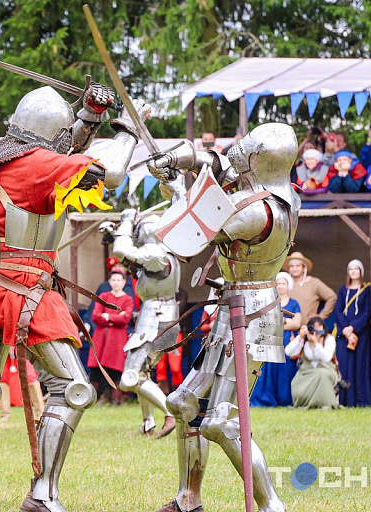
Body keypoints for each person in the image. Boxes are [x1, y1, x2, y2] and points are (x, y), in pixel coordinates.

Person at [0, 84, 147, 512]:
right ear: (47, 135)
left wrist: (90, 115)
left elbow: (65, 151)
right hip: (23, 288)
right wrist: (129, 129)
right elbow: (106, 174)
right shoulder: (37, 165)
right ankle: (43, 495)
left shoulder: (11, 158)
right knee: (73, 389)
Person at [147, 123, 296, 512]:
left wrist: (176, 188)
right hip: (232, 308)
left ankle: (270, 505)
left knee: (219, 421)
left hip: (252, 316)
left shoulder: (262, 210)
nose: (238, 152)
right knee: (183, 403)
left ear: (258, 158)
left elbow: (193, 233)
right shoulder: (269, 193)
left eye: (246, 149)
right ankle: (188, 499)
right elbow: (217, 166)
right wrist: (175, 164)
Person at [107, 209, 180, 438]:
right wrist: (115, 232)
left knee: (132, 377)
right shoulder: (162, 253)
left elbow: (121, 250)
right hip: (157, 316)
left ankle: (170, 413)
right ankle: (148, 422)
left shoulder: (156, 253)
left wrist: (126, 221)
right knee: (141, 372)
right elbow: (131, 261)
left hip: (156, 319)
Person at [250, 272, 301, 407]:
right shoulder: (269, 302)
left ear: (288, 286)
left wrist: (280, 321)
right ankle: (267, 399)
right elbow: (265, 321)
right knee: (269, 370)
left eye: (284, 283)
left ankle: (285, 400)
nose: (281, 286)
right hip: (271, 340)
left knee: (285, 371)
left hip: (286, 341)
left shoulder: (294, 303)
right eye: (278, 283)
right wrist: (285, 322)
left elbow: (297, 323)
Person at [87, 270, 134, 405]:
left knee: (115, 368)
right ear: (109, 282)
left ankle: (115, 399)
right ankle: (94, 398)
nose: (116, 283)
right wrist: (116, 318)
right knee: (96, 368)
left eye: (119, 280)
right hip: (101, 337)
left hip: (117, 339)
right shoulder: (103, 296)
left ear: (124, 282)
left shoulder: (128, 299)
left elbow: (125, 319)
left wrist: (107, 316)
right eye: (113, 280)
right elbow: (95, 316)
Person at [334, 260, 371, 407]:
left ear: (361, 271)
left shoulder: (367, 290)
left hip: (360, 335)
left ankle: (361, 401)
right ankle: (345, 400)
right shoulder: (343, 290)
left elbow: (367, 312)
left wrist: (354, 328)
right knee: (344, 367)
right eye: (351, 269)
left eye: (356, 269)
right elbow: (338, 311)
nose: (354, 271)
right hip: (344, 336)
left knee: (360, 366)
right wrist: (345, 329)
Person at [285, 317, 340, 409]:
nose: (316, 333)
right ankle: (303, 402)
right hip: (306, 371)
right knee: (296, 381)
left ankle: (324, 403)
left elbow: (326, 358)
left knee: (321, 375)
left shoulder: (328, 339)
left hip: (326, 369)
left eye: (319, 330)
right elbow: (288, 351)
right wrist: (301, 337)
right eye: (313, 329)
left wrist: (316, 343)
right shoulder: (305, 339)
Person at [285, 252, 337, 324]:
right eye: (292, 266)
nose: (295, 269)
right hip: (288, 328)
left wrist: (321, 316)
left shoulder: (314, 283)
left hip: (308, 328)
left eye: (298, 266)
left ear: (304, 268)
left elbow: (332, 297)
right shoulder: (284, 284)